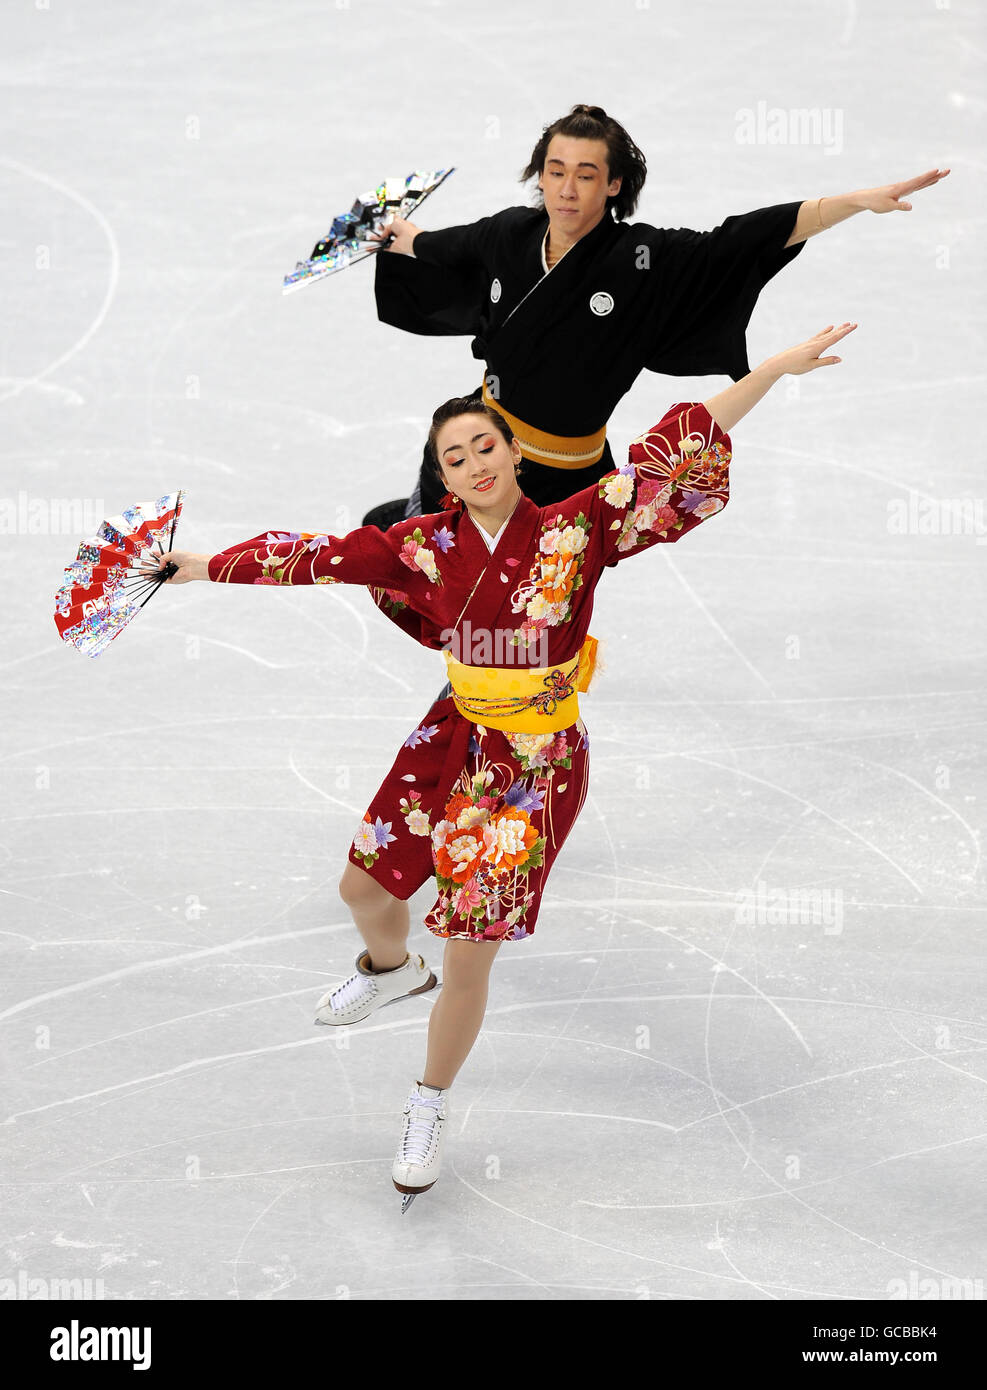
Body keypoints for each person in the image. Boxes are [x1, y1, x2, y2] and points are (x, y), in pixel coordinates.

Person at [152, 320, 856, 1209]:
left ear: (514, 449)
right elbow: (311, 556)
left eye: (485, 443)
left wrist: (772, 372)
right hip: (453, 733)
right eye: (454, 456)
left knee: (470, 948)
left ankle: (427, 1101)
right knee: (363, 893)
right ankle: (389, 972)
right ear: (439, 478)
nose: (475, 462)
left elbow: (674, 456)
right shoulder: (419, 547)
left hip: (534, 765)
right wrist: (199, 566)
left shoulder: (578, 526)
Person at [363, 103, 946, 526]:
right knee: (431, 558)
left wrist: (849, 204)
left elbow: (736, 244)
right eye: (556, 170)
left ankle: (490, 686)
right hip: (482, 442)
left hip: (567, 479)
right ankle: (415, 522)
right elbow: (444, 248)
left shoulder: (641, 260)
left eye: (586, 175)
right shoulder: (510, 234)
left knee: (516, 600)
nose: (567, 189)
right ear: (540, 175)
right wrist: (402, 234)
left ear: (613, 184)